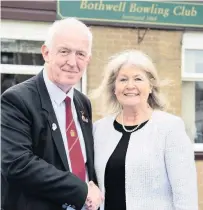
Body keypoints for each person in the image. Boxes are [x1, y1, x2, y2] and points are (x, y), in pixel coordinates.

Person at [1, 18, 103, 210]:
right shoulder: (16, 100)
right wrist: (80, 190)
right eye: (64, 51)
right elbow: (18, 164)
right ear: (46, 53)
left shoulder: (83, 104)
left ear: (88, 60)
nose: (72, 62)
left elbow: (85, 161)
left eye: (80, 54)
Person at [92, 50, 198, 210]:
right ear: (114, 88)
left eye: (138, 79)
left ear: (150, 87)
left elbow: (185, 195)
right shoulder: (99, 129)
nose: (130, 86)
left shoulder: (170, 128)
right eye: (123, 79)